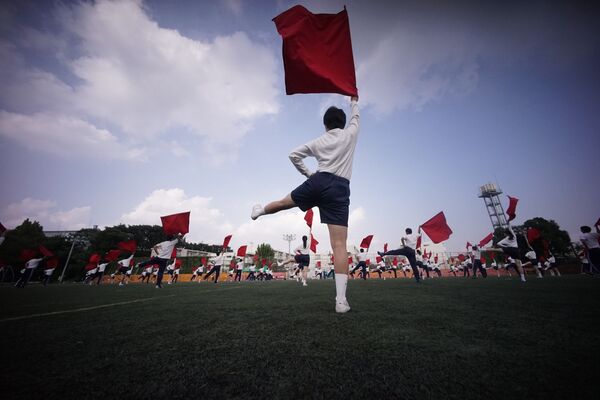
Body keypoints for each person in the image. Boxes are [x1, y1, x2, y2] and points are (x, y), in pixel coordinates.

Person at [251, 96, 360, 312]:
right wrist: (354, 101)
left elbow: (294, 155)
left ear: (325, 124)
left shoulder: (318, 141)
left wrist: (308, 173)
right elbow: (356, 117)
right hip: (339, 188)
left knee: (283, 202)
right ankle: (340, 301)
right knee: (339, 245)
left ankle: (259, 211)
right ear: (342, 122)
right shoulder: (350, 134)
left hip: (317, 181)